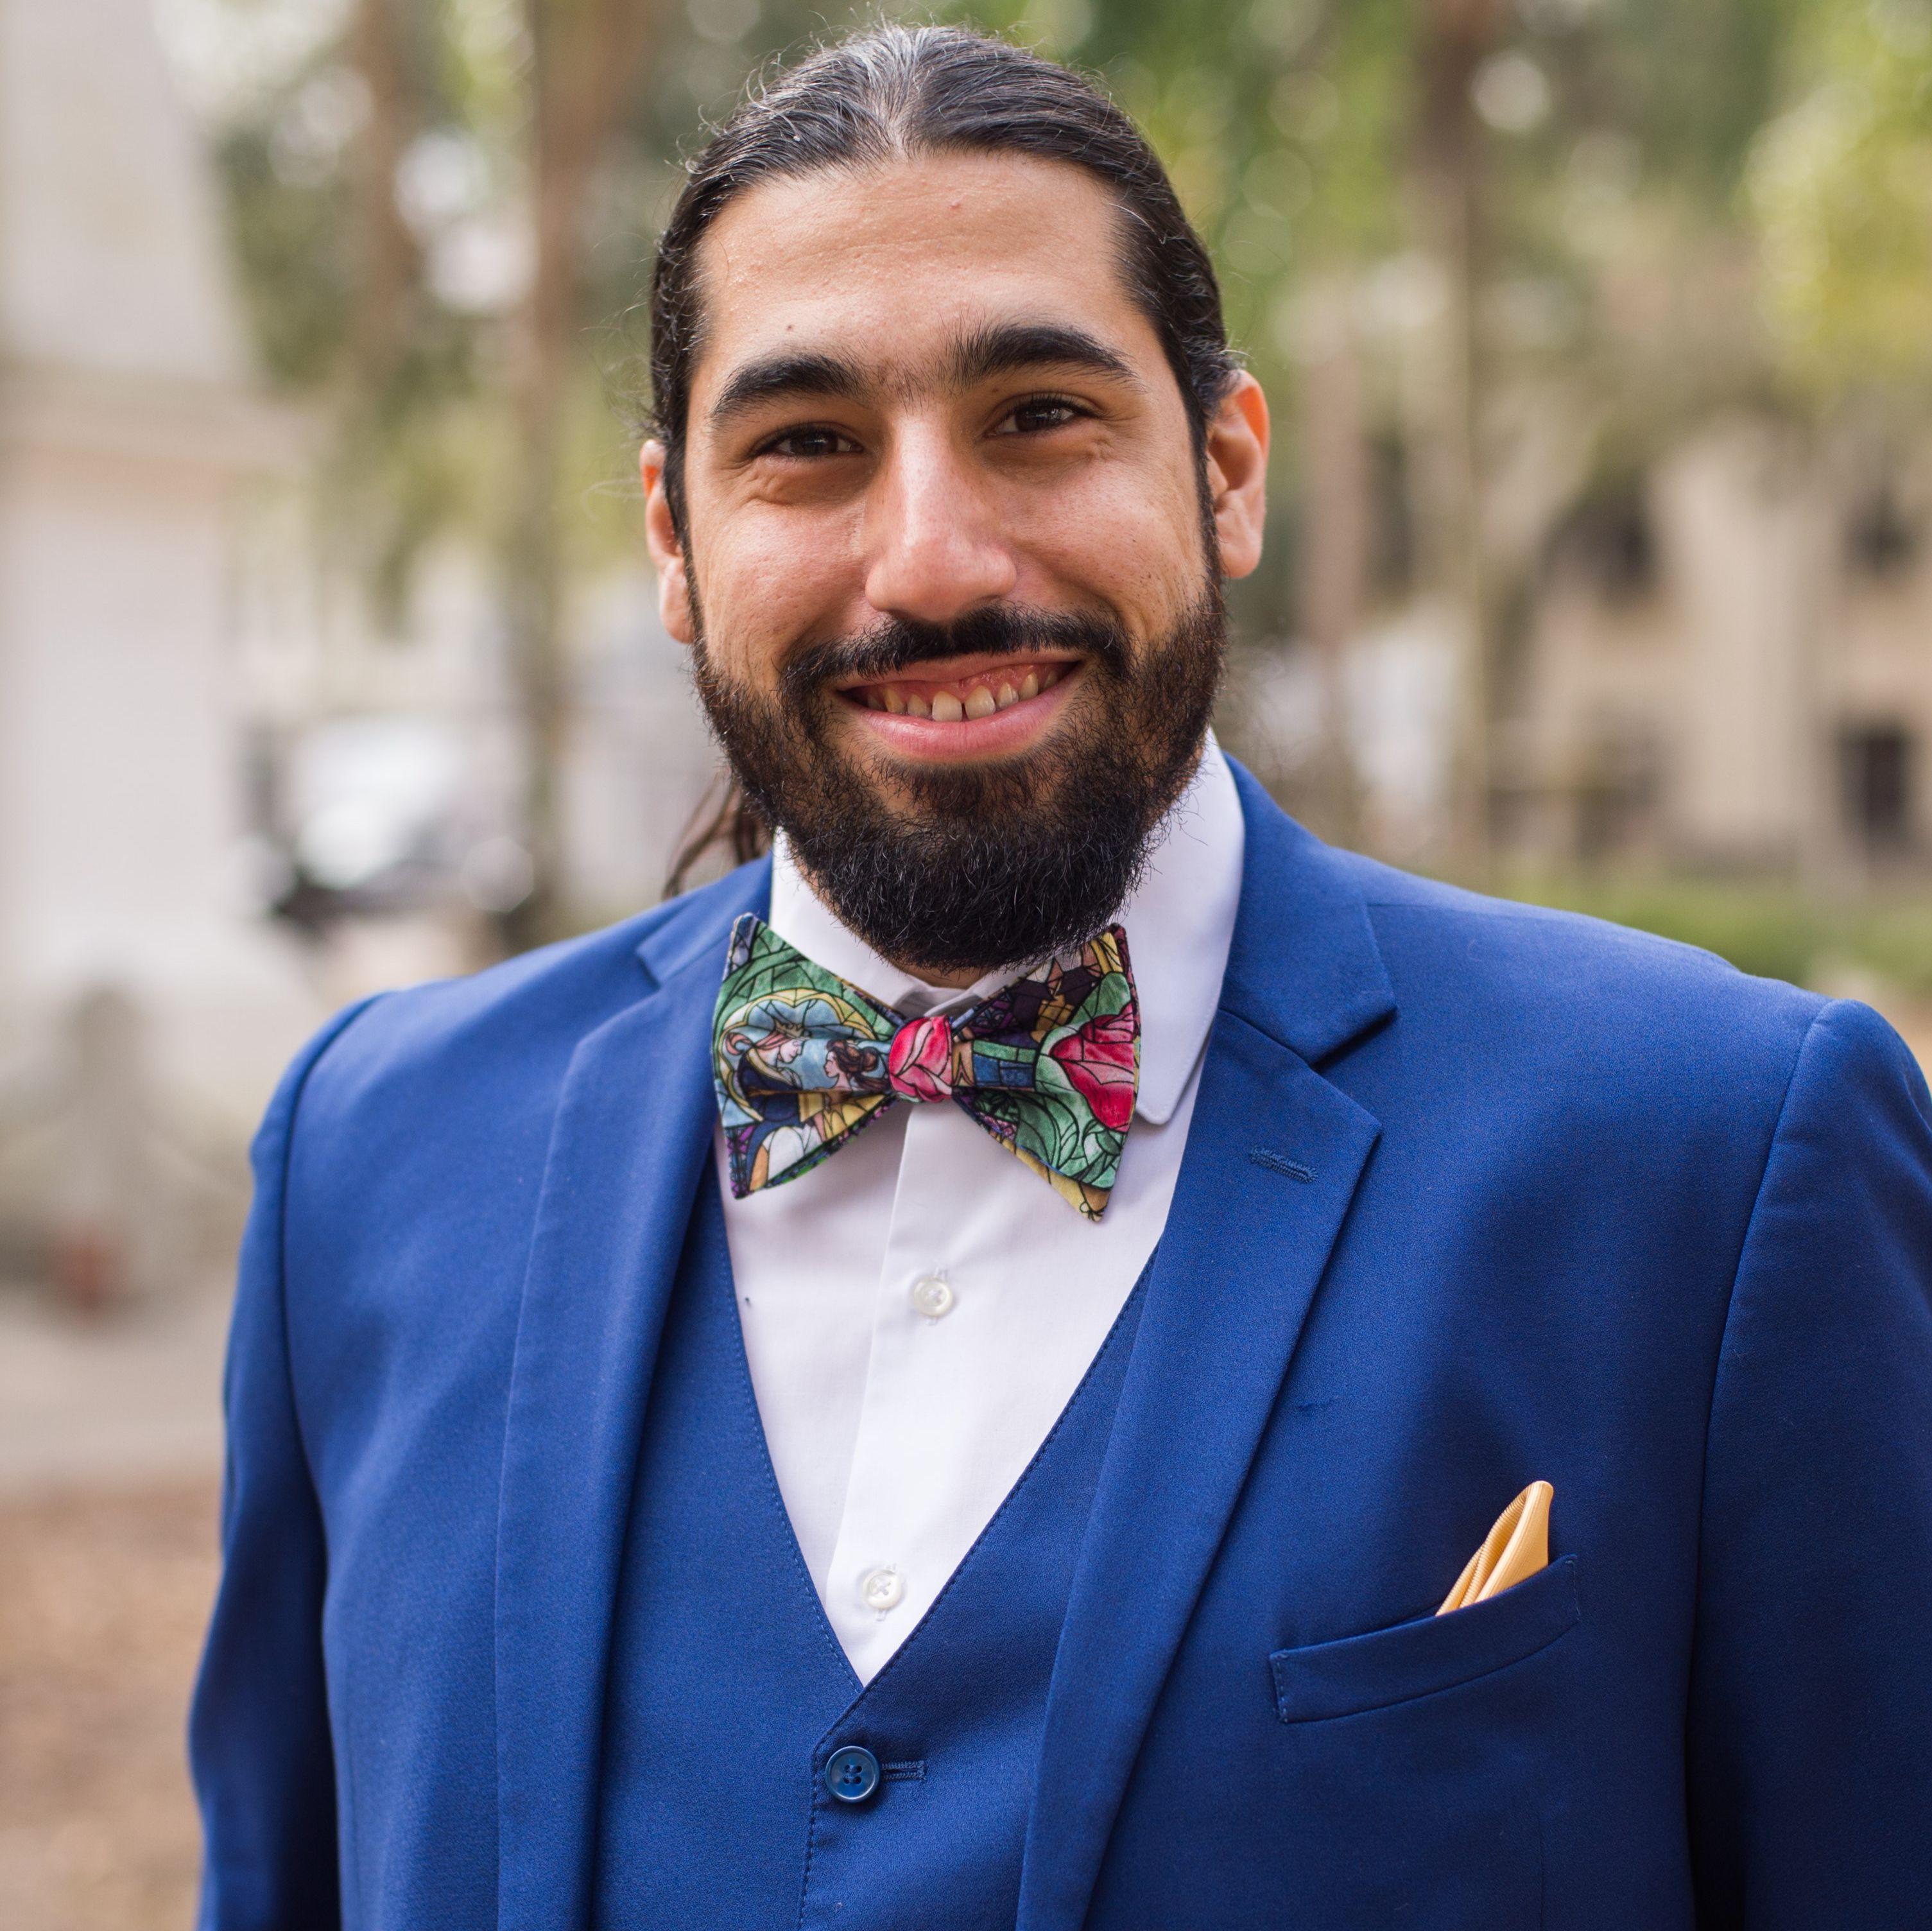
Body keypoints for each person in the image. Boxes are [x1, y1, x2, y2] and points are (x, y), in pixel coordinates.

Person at [189, 26, 1932, 1931]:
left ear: (1226, 472)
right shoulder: (373, 1154)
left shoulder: (1712, 1158)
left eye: (1037, 415)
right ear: (676, 541)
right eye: (806, 447)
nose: (933, 562)